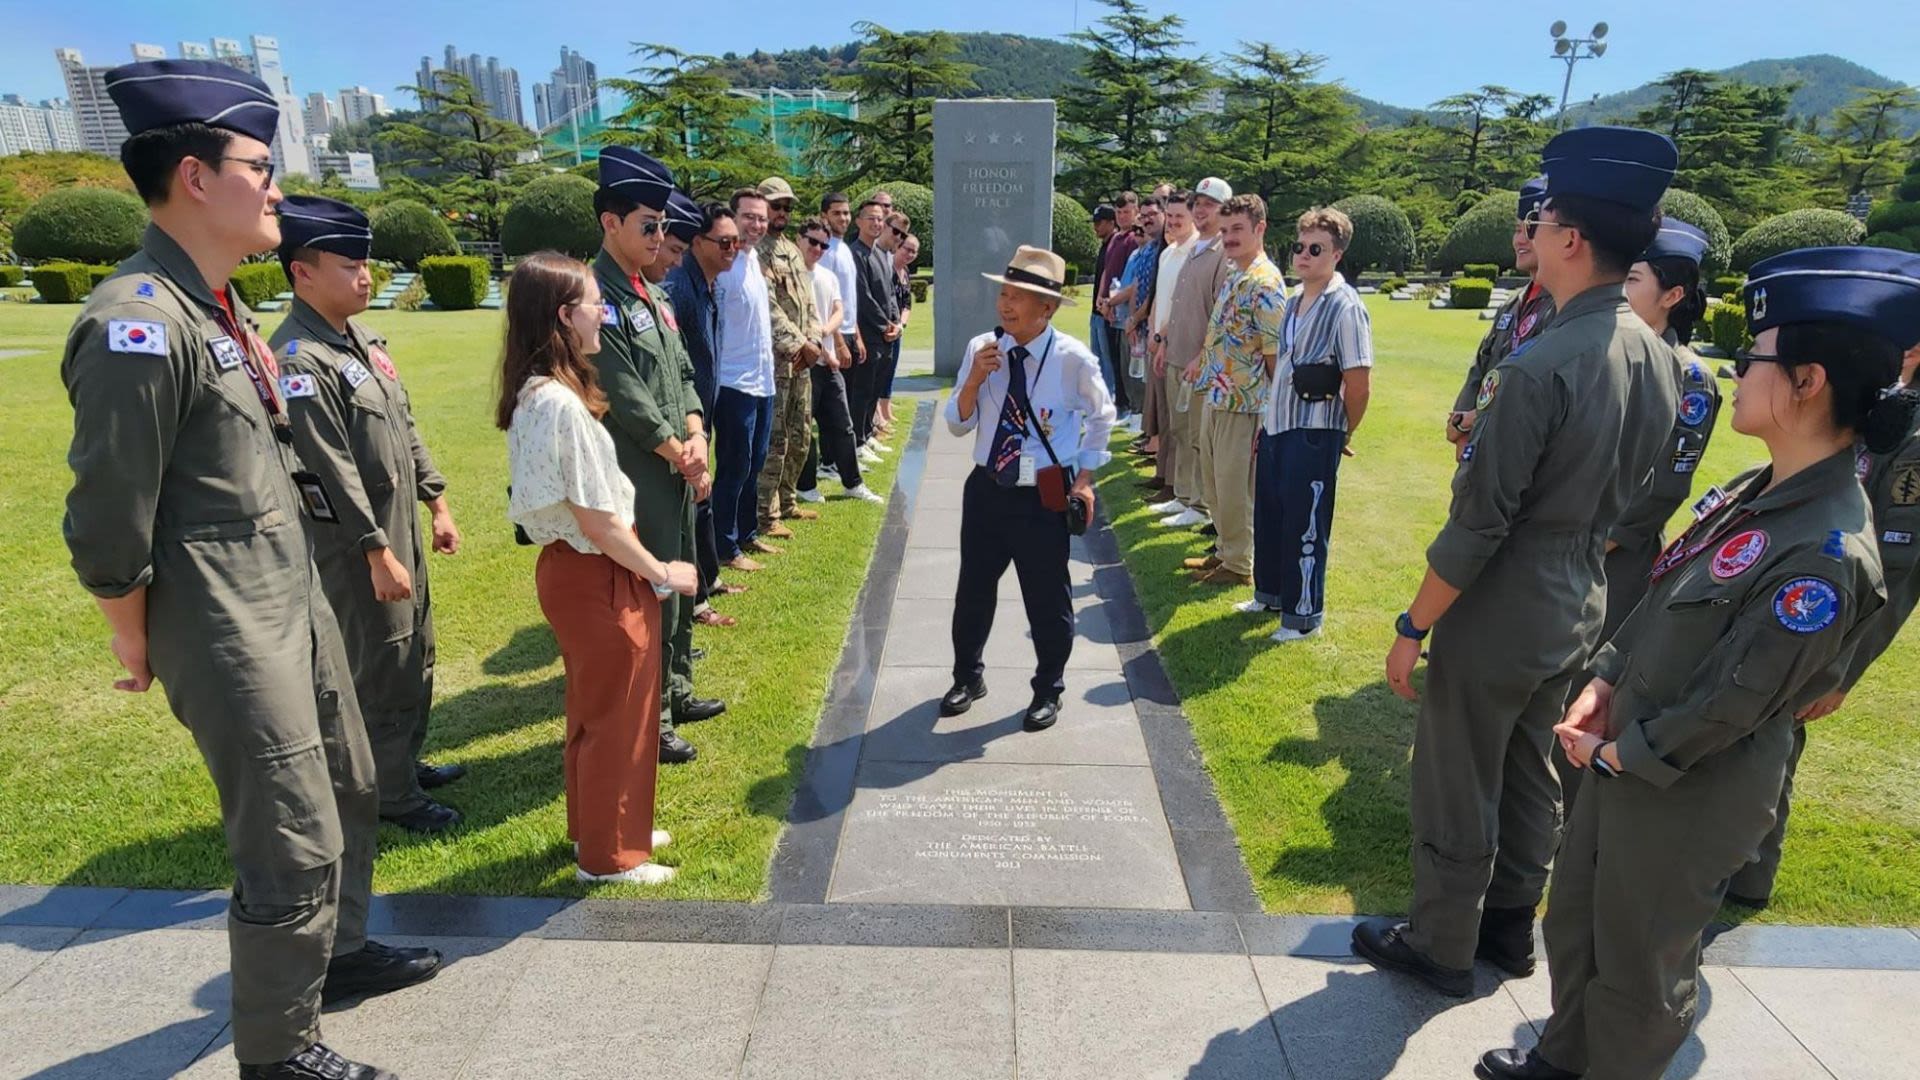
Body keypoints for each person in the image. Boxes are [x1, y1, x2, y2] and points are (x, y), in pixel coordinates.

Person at [63, 59, 435, 1080]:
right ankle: (279, 1052)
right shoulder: (138, 323)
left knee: (353, 781)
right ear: (194, 176)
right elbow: (107, 510)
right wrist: (133, 634)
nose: (275, 188)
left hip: (293, 600)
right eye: (259, 168)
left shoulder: (217, 311)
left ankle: (341, 954)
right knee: (289, 837)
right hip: (226, 621)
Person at [1477, 245, 1916, 1080]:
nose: (1735, 370)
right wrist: (1604, 679)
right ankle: (1566, 1059)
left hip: (1686, 782)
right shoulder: (1763, 487)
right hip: (1631, 754)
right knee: (1579, 923)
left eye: (1753, 360)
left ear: (1806, 382)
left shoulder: (1826, 550)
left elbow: (1739, 700)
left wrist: (1622, 752)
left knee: (1642, 964)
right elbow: (1667, 597)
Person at [1357, 127, 1683, 996]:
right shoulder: (1657, 355)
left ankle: (1441, 941)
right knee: (1531, 772)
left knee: (1459, 775)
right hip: (1580, 593)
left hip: (1505, 599)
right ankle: (1507, 931)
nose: (1529, 239)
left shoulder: (1539, 365)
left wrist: (1411, 626)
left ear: (1571, 240)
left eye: (1539, 225)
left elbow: (1477, 529)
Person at [499, 252, 699, 887]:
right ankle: (609, 856)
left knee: (598, 709)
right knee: (617, 715)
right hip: (597, 569)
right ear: (565, 316)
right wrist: (663, 572)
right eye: (595, 304)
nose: (602, 315)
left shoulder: (540, 390)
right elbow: (600, 523)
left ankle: (604, 826)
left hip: (574, 570)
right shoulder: (558, 403)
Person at [269, 195, 466, 834]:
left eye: (368, 264)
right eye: (350, 265)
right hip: (358, 544)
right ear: (302, 272)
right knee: (382, 664)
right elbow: (328, 469)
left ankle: (402, 764)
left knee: (417, 651)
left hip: (398, 527)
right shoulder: (301, 358)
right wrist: (376, 548)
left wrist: (436, 501)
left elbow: (403, 426)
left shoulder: (362, 340)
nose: (366, 276)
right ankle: (392, 795)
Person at [1725, 332, 1920, 908]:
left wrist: (1842, 669)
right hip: (1797, 600)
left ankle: (1749, 878)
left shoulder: (1911, 441)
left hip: (1828, 627)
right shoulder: (1877, 407)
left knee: (1775, 739)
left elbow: (1898, 571)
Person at [1558, 218, 1719, 807]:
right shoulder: (1611, 350)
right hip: (1571, 534)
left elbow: (1665, 486)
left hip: (1615, 552)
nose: (1620, 288)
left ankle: (1571, 803)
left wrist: (1599, 538)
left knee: (1588, 677)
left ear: (1672, 295)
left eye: (1633, 278)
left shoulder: (1692, 377)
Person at [941, 246, 1116, 730]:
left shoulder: (1071, 359)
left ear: (1048, 308)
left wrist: (1085, 479)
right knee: (973, 589)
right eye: (1004, 293)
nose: (1006, 304)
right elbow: (957, 423)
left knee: (1047, 595)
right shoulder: (983, 347)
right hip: (987, 486)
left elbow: (1103, 416)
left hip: (1046, 488)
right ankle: (966, 677)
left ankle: (1048, 689)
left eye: (1020, 296)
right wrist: (975, 378)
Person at [588, 149, 723, 768]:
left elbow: (686, 374)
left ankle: (679, 689)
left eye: (665, 226)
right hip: (642, 472)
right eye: (649, 225)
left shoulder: (655, 295)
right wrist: (681, 452)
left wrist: (696, 434)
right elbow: (626, 396)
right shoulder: (601, 300)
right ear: (610, 223)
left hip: (678, 466)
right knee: (656, 590)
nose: (660, 237)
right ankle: (656, 718)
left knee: (686, 579)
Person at [1243, 205, 1373, 637]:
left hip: (1315, 429)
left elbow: (1358, 382)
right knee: (1272, 516)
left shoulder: (1345, 306)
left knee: (1306, 523)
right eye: (1299, 246)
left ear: (1337, 254)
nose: (1303, 255)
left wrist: (1344, 431)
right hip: (1279, 424)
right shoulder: (1295, 302)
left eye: (1315, 248)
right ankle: (1271, 595)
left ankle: (1302, 617)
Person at [1182, 194, 1286, 589]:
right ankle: (1225, 550)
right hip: (1219, 395)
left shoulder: (1265, 283)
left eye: (1237, 229)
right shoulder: (1234, 273)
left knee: (1234, 486)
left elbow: (1275, 352)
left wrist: (1276, 408)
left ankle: (1239, 565)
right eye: (1224, 230)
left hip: (1246, 403)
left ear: (1260, 228)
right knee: (1215, 483)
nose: (1228, 237)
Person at [665, 198, 743, 620]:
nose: (733, 249)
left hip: (702, 412)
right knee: (688, 505)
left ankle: (709, 579)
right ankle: (695, 601)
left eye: (736, 243)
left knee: (703, 501)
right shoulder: (679, 289)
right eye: (725, 242)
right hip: (682, 418)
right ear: (698, 242)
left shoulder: (712, 285)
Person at [1447, 178, 1556, 458]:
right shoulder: (1513, 302)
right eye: (1516, 230)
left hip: (1520, 448)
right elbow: (1481, 367)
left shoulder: (1562, 305)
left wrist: (1475, 418)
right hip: (1482, 445)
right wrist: (1461, 423)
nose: (1519, 240)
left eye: (1528, 231)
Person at [1153, 177, 1234, 529]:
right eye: (1197, 204)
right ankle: (1184, 495)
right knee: (1181, 430)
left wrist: (1201, 356)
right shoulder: (1193, 248)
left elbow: (1218, 315)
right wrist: (1164, 341)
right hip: (1176, 353)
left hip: (1199, 363)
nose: (1201, 210)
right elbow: (1179, 305)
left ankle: (1200, 504)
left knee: (1199, 438)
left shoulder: (1221, 254)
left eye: (1209, 205)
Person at [712, 186, 779, 572]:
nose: (756, 224)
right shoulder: (726, 265)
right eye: (749, 217)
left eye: (761, 218)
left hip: (762, 379)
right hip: (733, 381)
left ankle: (747, 532)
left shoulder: (753, 261)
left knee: (755, 462)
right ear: (733, 218)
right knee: (734, 466)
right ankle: (725, 545)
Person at [754, 176, 824, 543]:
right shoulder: (755, 253)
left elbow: (808, 302)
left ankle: (789, 499)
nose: (782, 213)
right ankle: (767, 515)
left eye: (786, 207)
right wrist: (799, 345)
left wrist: (814, 339)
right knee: (776, 441)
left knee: (800, 437)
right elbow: (768, 310)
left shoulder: (791, 250)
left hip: (802, 362)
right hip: (779, 364)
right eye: (775, 206)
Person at [797, 214, 885, 505]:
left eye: (823, 245)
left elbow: (838, 310)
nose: (818, 250)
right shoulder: (794, 276)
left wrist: (827, 333)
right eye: (812, 242)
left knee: (842, 424)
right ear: (799, 239)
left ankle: (853, 483)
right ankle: (806, 486)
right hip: (804, 364)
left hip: (828, 362)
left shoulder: (827, 275)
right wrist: (821, 345)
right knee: (806, 429)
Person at [1142, 192, 1196, 504]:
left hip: (1176, 345)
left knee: (1179, 422)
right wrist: (1152, 330)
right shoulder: (1168, 252)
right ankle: (1163, 475)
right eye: (1171, 215)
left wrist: (1161, 337)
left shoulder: (1193, 252)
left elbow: (1180, 305)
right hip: (1158, 342)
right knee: (1163, 416)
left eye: (1180, 216)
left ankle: (1177, 486)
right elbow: (1160, 299)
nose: (1174, 222)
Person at [848, 198, 901, 458]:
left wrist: (896, 322)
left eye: (880, 219)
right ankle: (857, 440)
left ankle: (868, 433)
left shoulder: (881, 253)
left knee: (875, 388)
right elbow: (863, 296)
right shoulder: (855, 253)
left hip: (886, 335)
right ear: (859, 221)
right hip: (868, 334)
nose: (876, 223)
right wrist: (884, 324)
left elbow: (890, 292)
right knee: (862, 391)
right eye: (871, 218)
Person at [1096, 192, 1141, 420]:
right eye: (1119, 212)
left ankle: (1127, 407)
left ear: (1136, 212)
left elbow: (1131, 280)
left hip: (1123, 309)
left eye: (1127, 212)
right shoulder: (1115, 238)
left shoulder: (1134, 239)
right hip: (1108, 307)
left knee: (1122, 361)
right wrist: (1101, 298)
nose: (1123, 216)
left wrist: (1112, 302)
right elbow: (1106, 270)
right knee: (1111, 358)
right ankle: (1120, 404)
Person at [1089, 204, 1119, 404]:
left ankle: (1110, 400)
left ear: (1111, 222)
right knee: (1097, 359)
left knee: (1108, 361)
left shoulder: (1115, 244)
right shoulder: (1105, 244)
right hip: (1096, 310)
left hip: (1107, 311)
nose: (1095, 227)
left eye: (1099, 223)